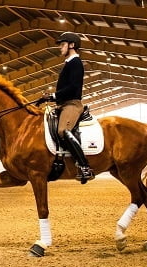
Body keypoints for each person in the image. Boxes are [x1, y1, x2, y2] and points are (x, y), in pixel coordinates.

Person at [39, 32, 94, 184]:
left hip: (72, 104)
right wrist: (48, 98)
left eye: (62, 45)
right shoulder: (69, 63)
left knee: (63, 130)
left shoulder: (76, 62)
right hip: (63, 104)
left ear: (72, 45)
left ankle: (84, 166)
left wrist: (54, 96)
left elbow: (74, 87)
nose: (60, 48)